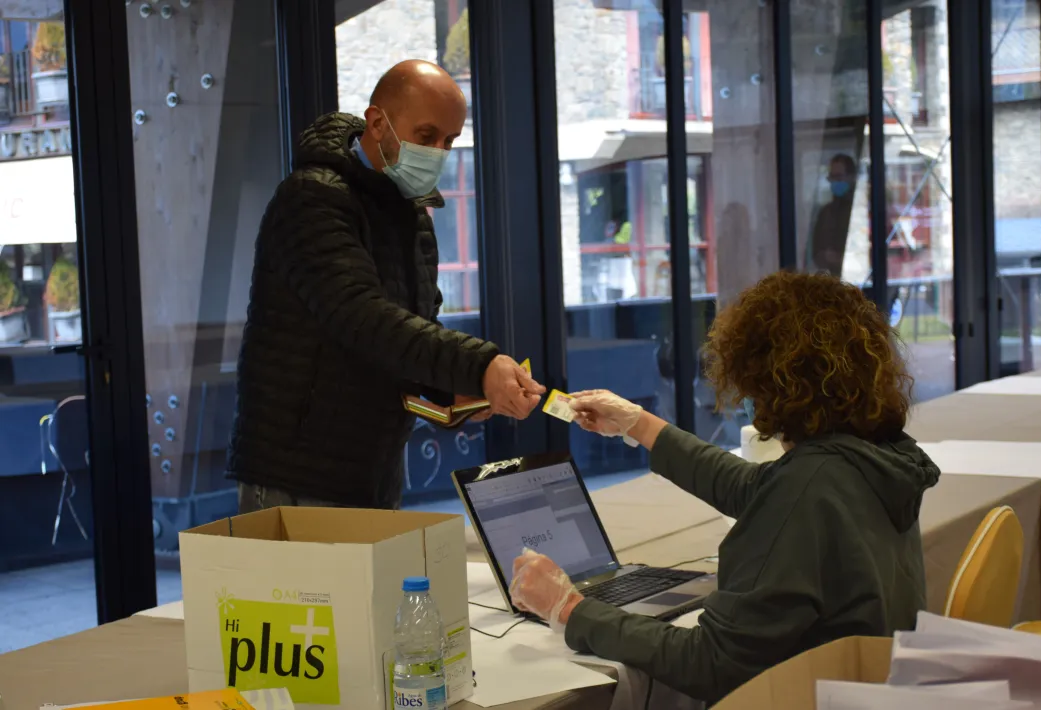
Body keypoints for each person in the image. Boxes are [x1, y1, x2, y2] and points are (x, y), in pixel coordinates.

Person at [509, 271, 940, 706]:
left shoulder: (808, 487)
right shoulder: (872, 459)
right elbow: (757, 488)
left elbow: (710, 663)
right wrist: (639, 425)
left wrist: (570, 609)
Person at [228, 60, 544, 512]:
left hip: (371, 469)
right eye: (427, 135)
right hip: (297, 474)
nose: (438, 152)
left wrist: (451, 394)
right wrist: (479, 365)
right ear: (377, 123)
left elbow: (405, 339)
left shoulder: (409, 212)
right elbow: (363, 319)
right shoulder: (311, 198)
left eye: (449, 141)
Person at [810, 153, 858, 277]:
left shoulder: (859, 211)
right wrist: (825, 257)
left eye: (839, 177)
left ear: (851, 177)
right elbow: (816, 252)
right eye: (832, 178)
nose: (835, 182)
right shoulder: (826, 213)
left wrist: (839, 258)